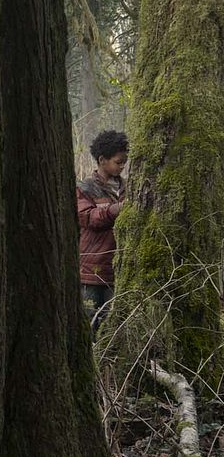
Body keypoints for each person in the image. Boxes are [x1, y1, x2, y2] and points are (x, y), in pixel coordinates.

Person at [77, 129, 128, 331]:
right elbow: (88, 218)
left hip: (117, 268)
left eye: (125, 162)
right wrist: (116, 210)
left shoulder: (128, 188)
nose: (122, 166)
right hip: (91, 269)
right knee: (90, 322)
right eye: (118, 162)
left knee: (112, 322)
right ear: (102, 160)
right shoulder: (86, 188)